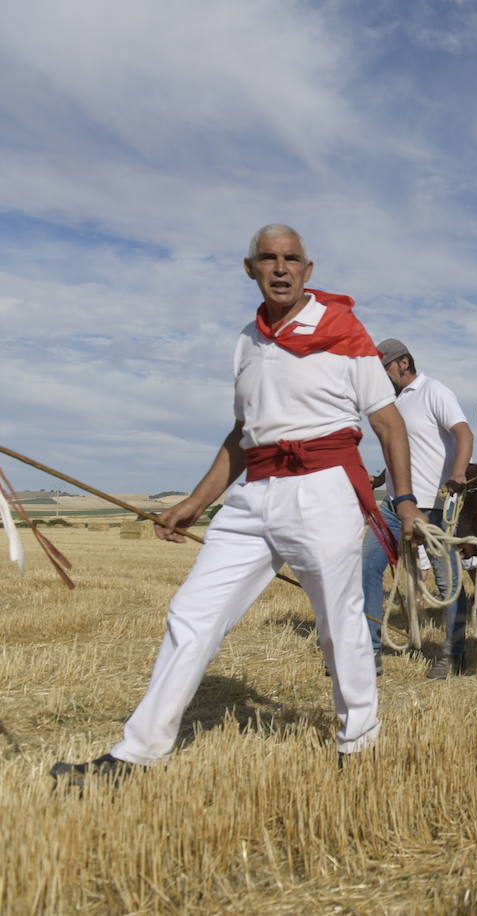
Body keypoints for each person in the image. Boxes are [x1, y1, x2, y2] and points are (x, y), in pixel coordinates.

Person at [51, 224, 421, 787]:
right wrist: (196, 503)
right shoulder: (246, 340)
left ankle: (359, 747)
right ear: (250, 269)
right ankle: (136, 754)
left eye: (291, 258)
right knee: (191, 614)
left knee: (337, 624)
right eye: (268, 259)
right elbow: (243, 435)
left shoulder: (343, 330)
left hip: (323, 489)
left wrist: (408, 502)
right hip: (251, 500)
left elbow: (388, 424)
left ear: (308, 269)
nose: (280, 268)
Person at [363, 339, 474, 679]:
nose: (381, 378)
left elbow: (464, 432)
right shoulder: (391, 404)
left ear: (404, 363)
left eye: (384, 370)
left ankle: (453, 653)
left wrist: (457, 472)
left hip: (433, 505)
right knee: (366, 566)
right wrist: (382, 478)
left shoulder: (434, 391)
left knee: (447, 583)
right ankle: (369, 652)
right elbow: (401, 449)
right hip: (394, 505)